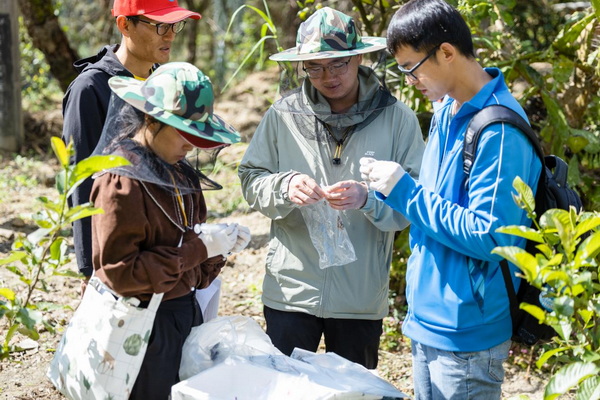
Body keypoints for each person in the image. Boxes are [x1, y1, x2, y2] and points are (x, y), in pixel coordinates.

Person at [359, 0, 542, 398]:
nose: (410, 80)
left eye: (412, 68)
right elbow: (436, 206)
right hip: (427, 320)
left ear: (446, 52)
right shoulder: (446, 110)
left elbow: (492, 236)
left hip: (467, 335)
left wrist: (403, 190)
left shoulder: (498, 131)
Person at [238, 7, 425, 369]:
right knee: (286, 390)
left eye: (338, 64)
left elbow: (415, 201)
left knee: (355, 393)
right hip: (291, 292)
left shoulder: (396, 118)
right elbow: (250, 177)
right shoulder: (283, 114)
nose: (328, 76)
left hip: (359, 299)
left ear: (357, 57)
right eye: (315, 66)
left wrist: (368, 199)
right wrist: (284, 186)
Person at [90, 62, 251, 399]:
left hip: (184, 315)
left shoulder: (180, 174)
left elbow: (194, 259)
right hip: (142, 327)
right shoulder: (121, 180)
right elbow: (119, 272)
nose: (190, 145)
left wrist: (219, 246)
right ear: (150, 119)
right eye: (182, 132)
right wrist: (198, 250)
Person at [62, 0, 201, 285]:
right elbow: (83, 177)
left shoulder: (162, 82)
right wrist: (91, 269)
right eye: (160, 26)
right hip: (119, 257)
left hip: (163, 253)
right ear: (125, 24)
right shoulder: (91, 89)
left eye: (175, 25)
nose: (171, 35)